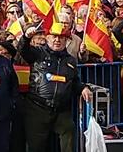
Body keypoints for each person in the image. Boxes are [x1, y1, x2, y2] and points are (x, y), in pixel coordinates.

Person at [19, 23, 91, 152]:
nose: (57, 40)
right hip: (37, 108)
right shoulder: (38, 53)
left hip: (60, 110)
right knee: (36, 147)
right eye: (54, 37)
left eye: (61, 37)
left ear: (66, 40)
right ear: (47, 38)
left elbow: (74, 82)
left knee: (69, 130)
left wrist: (83, 88)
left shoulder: (70, 60)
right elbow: (23, 49)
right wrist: (26, 37)